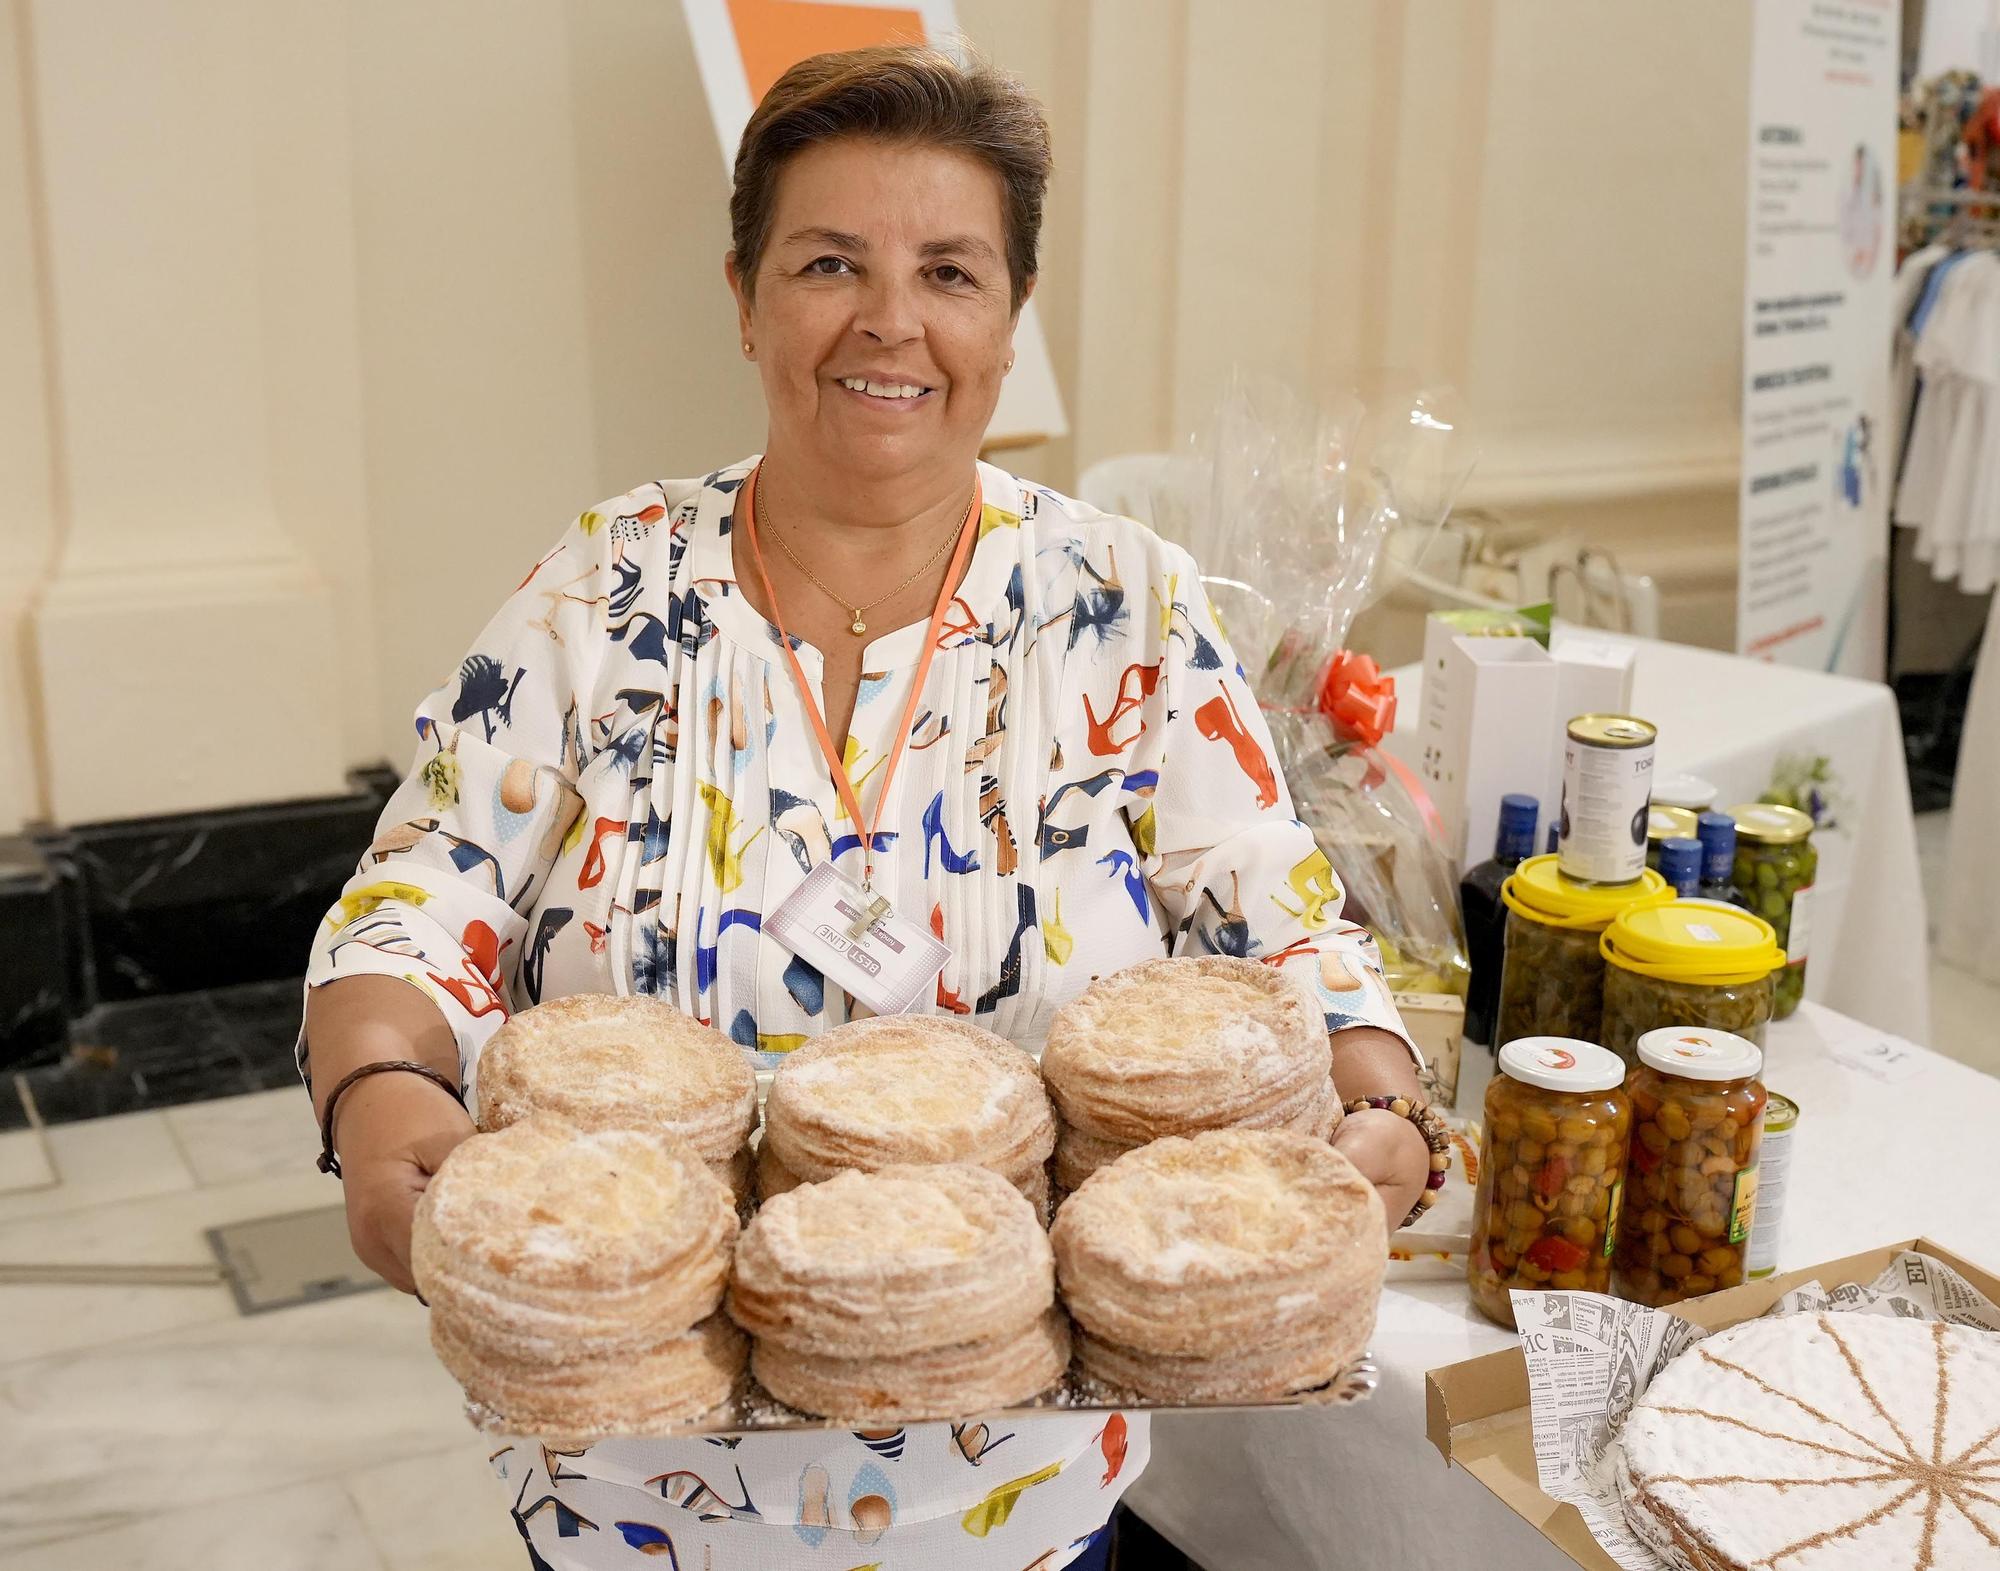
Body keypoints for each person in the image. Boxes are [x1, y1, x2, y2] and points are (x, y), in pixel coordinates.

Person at [301, 43, 1433, 1570]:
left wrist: (1380, 1103)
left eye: (950, 272)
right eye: (830, 262)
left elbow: (1268, 898)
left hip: (1012, 1486)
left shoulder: (1125, 604)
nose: (890, 320)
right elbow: (424, 882)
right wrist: (378, 1098)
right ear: (747, 295)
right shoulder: (605, 585)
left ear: (1012, 318)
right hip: (637, 1479)